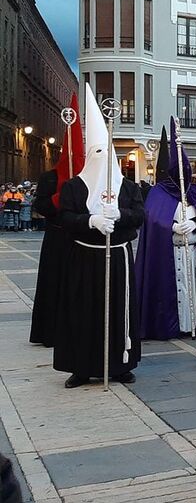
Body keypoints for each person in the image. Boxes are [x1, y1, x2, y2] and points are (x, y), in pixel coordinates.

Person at [53, 85, 145, 388]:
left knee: (118, 311)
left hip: (117, 257)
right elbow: (64, 218)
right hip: (83, 259)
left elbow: (139, 216)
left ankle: (121, 364)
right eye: (98, 153)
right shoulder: (74, 188)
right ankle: (81, 366)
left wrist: (120, 216)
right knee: (83, 312)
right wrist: (90, 220)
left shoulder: (129, 188)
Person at [136, 121, 196, 341]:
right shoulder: (159, 193)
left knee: (193, 289)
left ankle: (194, 324)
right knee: (174, 290)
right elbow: (152, 220)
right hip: (170, 253)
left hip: (194, 253)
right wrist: (171, 226)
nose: (184, 172)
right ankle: (172, 325)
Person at [30, 94, 83, 347]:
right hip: (56, 237)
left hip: (80, 239)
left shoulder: (85, 178)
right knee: (53, 283)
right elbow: (39, 205)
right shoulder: (49, 178)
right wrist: (58, 200)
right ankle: (49, 330)